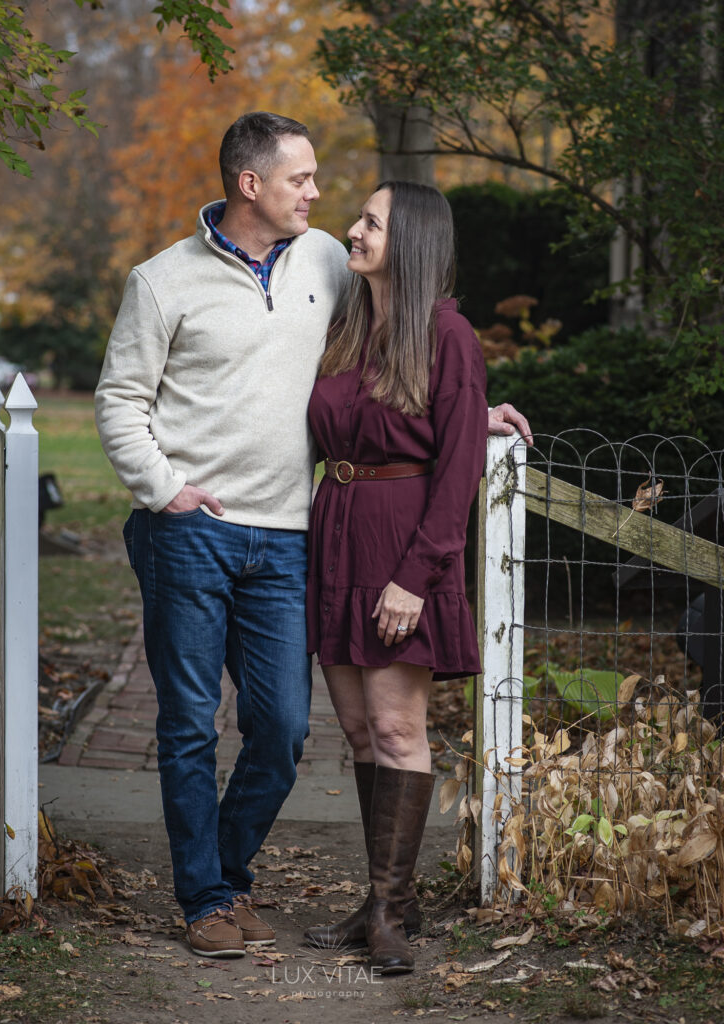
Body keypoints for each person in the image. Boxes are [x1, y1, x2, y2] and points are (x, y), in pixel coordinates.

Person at [95, 110, 531, 962]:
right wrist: (166, 491)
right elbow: (119, 402)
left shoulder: (327, 258)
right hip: (197, 532)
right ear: (251, 184)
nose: (322, 198)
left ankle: (258, 883)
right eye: (303, 179)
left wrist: (472, 419)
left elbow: (416, 363)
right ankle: (208, 898)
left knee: (285, 727)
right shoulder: (162, 281)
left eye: (342, 197)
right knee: (189, 724)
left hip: (293, 538)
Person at [303, 181, 488, 974]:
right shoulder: (348, 324)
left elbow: (458, 470)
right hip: (337, 535)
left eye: (370, 223)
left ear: (408, 239)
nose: (352, 229)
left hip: (403, 549)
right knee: (356, 729)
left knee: (399, 730)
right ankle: (385, 898)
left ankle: (388, 913)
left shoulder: (448, 334)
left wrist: (416, 576)